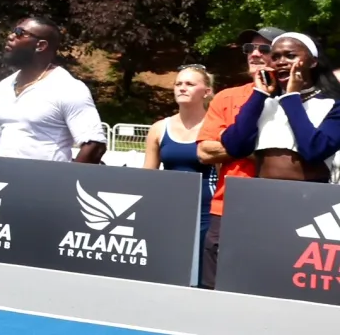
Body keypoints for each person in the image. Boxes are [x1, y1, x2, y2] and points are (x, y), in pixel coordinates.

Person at [196, 27, 277, 289]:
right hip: (226, 207)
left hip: (281, 208)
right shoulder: (226, 97)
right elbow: (205, 152)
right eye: (249, 49)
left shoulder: (296, 99)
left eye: (264, 49)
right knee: (214, 289)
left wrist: (232, 145)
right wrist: (264, 151)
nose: (255, 54)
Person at [218, 32, 340, 183]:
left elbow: (314, 151)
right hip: (262, 193)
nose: (281, 62)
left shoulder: (332, 105)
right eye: (275, 57)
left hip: (310, 196)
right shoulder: (263, 103)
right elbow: (235, 146)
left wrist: (291, 97)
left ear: (313, 62)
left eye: (290, 56)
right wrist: (259, 94)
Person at [0, 17, 106, 163]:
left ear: (40, 45)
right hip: (8, 183)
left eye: (19, 33)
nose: (11, 36)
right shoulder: (3, 86)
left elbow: (94, 145)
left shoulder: (67, 88)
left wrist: (67, 182)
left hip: (49, 184)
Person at [144, 65, 216, 243]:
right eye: (178, 84)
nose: (182, 88)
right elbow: (146, 177)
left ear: (206, 92)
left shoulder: (217, 127)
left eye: (190, 84)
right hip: (169, 207)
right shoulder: (159, 128)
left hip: (206, 211)